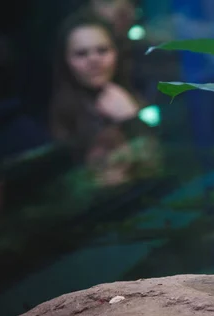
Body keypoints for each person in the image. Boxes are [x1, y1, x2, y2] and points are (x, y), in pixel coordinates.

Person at [49, 11, 161, 187]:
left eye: (102, 50)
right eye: (81, 54)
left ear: (116, 53)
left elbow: (156, 167)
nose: (94, 60)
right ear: (65, 61)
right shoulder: (58, 115)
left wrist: (131, 119)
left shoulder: (133, 98)